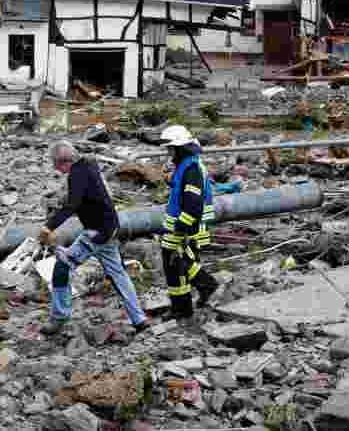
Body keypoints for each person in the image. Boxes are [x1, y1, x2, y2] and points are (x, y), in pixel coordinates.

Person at [37, 141, 149, 335]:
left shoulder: (76, 174)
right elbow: (87, 198)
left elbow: (73, 205)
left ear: (62, 162)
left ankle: (59, 317)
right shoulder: (89, 164)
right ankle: (139, 320)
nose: (54, 167)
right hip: (110, 228)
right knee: (118, 274)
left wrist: (48, 227)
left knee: (62, 267)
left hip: (95, 234)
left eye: (54, 163)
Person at [159, 125, 220, 326]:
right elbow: (183, 193)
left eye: (171, 149)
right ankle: (182, 308)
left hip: (188, 227)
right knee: (175, 265)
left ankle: (206, 286)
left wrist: (181, 229)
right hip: (182, 226)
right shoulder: (187, 165)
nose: (169, 153)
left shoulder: (192, 169)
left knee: (180, 263)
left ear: (180, 148)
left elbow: (193, 205)